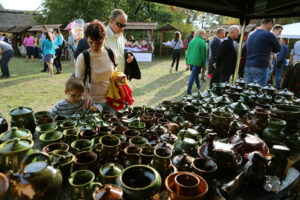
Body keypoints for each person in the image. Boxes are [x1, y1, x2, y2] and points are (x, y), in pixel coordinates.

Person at [75, 20, 117, 114]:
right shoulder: (83, 57)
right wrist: (85, 95)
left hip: (111, 101)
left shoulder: (111, 53)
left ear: (105, 39)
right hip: (92, 104)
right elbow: (78, 82)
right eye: (90, 42)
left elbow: (115, 74)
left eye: (98, 43)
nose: (94, 46)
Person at [244, 18, 281, 86]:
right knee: (259, 91)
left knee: (248, 91)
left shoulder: (251, 34)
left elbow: (245, 48)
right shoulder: (269, 35)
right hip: (260, 65)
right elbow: (278, 48)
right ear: (270, 23)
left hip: (248, 65)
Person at [185, 29, 207, 95]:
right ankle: (188, 90)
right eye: (204, 34)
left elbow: (188, 51)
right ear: (201, 34)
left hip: (191, 61)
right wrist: (204, 64)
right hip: (197, 61)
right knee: (192, 75)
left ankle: (198, 85)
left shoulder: (192, 40)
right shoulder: (202, 42)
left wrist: (187, 60)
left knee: (195, 74)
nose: (205, 35)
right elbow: (204, 55)